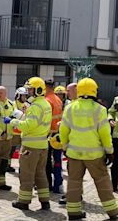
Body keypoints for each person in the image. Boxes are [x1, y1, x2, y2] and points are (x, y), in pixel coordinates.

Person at [60, 78, 118, 220]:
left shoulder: (70, 108)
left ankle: (73, 212)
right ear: (94, 90)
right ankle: (112, 213)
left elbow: (63, 130)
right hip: (95, 155)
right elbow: (104, 134)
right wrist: (110, 151)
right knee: (102, 182)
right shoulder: (100, 109)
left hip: (74, 154)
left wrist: (65, 146)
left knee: (74, 182)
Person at [5, 77, 52, 210]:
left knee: (26, 175)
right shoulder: (45, 104)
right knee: (40, 174)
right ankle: (45, 201)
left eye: (30, 90)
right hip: (43, 146)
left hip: (30, 147)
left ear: (37, 90)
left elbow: (28, 126)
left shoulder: (36, 106)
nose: (28, 93)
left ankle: (23, 202)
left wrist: (13, 121)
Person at [45, 80, 64, 194]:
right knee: (57, 162)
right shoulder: (58, 100)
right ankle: (58, 185)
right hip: (57, 135)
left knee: (46, 162)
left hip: (48, 135)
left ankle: (47, 185)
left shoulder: (47, 100)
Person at [7, 87, 30, 172]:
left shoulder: (27, 105)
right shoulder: (13, 104)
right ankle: (8, 165)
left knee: (23, 150)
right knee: (11, 149)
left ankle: (22, 166)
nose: (24, 97)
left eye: (25, 95)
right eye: (22, 95)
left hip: (23, 131)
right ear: (18, 95)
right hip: (15, 131)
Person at [108, 96, 118, 192]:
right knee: (115, 163)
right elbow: (111, 112)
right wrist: (110, 119)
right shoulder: (116, 99)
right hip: (116, 137)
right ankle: (114, 186)